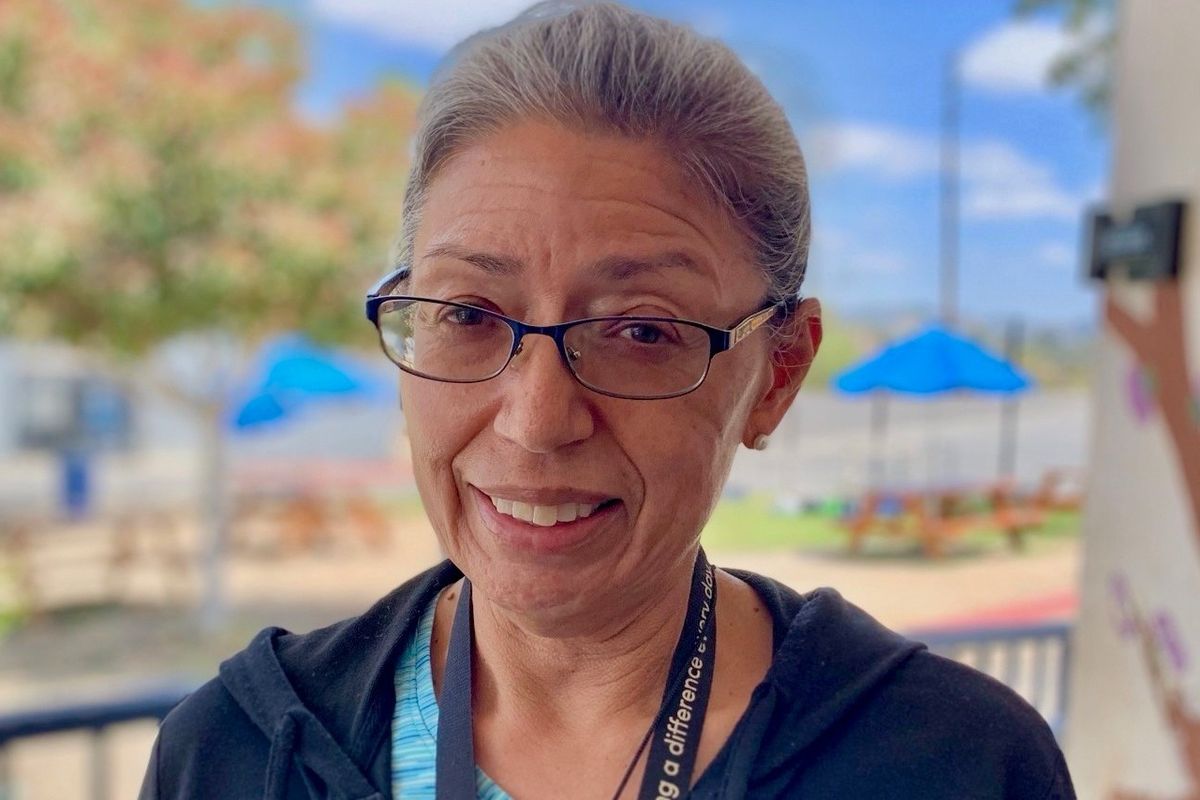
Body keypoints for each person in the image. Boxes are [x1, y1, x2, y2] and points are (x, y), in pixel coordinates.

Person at [140, 3, 1075, 798]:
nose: (536, 421)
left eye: (642, 331)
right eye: (467, 314)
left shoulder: (953, 766)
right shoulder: (235, 757)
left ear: (778, 374)